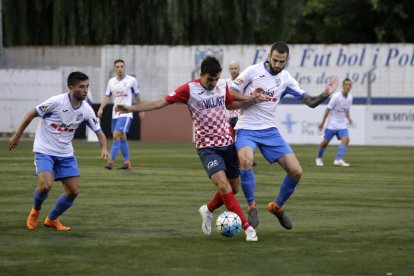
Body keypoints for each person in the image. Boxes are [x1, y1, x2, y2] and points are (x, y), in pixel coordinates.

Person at [116, 56, 262, 242]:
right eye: (210, 79)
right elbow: (160, 102)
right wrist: (132, 108)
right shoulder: (189, 89)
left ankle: (207, 210)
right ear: (201, 75)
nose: (213, 83)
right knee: (224, 186)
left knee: (234, 188)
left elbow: (230, 103)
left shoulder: (222, 85)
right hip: (207, 147)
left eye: (216, 79)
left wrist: (251, 99)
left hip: (228, 143)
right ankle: (248, 228)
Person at [229, 42, 339, 230]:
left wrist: (326, 93)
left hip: (270, 131)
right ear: (269, 56)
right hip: (246, 128)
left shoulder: (286, 79)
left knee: (296, 172)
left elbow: (310, 102)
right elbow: (230, 93)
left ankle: (277, 207)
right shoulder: (252, 71)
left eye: (282, 61)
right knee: (246, 161)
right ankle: (251, 206)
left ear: (286, 60)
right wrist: (251, 98)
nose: (278, 64)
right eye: (275, 60)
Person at [9, 71, 110, 231]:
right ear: (71, 88)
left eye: (87, 86)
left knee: (73, 191)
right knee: (45, 186)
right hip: (45, 150)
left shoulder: (86, 110)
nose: (85, 90)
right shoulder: (56, 102)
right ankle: (35, 211)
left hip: (65, 154)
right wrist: (17, 135)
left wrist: (104, 148)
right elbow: (31, 114)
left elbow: (99, 133)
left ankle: (52, 219)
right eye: (81, 87)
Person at [97, 59, 144, 170]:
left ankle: (110, 162)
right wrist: (101, 108)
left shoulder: (132, 80)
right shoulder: (111, 82)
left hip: (126, 113)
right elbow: (107, 96)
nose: (120, 68)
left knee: (116, 135)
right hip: (115, 114)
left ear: (125, 67)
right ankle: (127, 162)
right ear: (114, 69)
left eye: (122, 66)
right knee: (122, 136)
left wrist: (141, 109)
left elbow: (137, 95)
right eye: (117, 67)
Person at [316, 78, 353, 167]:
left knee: (346, 140)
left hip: (342, 124)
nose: (348, 86)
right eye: (346, 84)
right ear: (343, 86)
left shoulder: (350, 98)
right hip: (332, 124)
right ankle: (319, 158)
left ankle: (338, 160)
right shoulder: (336, 96)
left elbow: (346, 109)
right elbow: (328, 109)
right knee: (325, 142)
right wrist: (322, 123)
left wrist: (349, 118)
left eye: (349, 85)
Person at [226, 61, 241, 129]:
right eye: (232, 68)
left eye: (235, 68)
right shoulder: (226, 83)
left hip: (241, 116)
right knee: (230, 138)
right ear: (229, 70)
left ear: (239, 69)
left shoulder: (243, 81)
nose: (233, 70)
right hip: (230, 116)